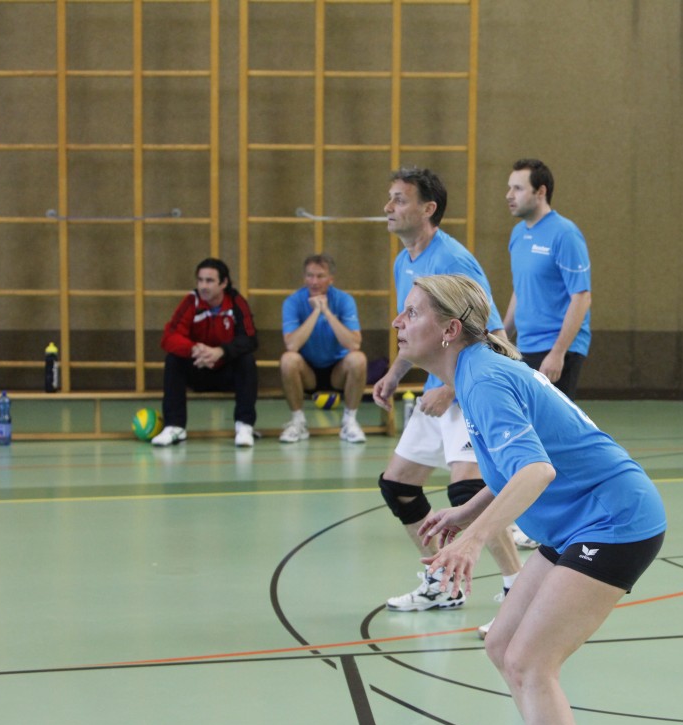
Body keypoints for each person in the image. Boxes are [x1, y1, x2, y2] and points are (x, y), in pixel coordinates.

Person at [401, 273, 665, 725]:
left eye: (412, 312)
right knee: (502, 645)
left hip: (614, 520)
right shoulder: (476, 372)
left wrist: (475, 538)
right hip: (575, 522)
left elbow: (536, 471)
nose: (398, 322)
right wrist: (467, 511)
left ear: (449, 330)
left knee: (531, 661)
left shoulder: (483, 379)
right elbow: (515, 463)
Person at [370, 167, 525, 621]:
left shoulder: (454, 260)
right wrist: (395, 374)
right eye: (390, 198)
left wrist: (452, 389)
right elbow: (414, 330)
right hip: (436, 386)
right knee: (398, 486)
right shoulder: (404, 262)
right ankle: (442, 582)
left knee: (467, 491)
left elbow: (495, 337)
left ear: (428, 209)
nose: (388, 207)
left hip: (465, 387)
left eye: (399, 199)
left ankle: (518, 590)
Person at [503, 158, 592, 399]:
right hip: (525, 347)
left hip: (557, 349)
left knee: (550, 422)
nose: (509, 195)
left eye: (518, 188)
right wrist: (501, 338)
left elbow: (582, 297)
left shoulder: (565, 234)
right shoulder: (518, 234)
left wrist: (558, 353)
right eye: (509, 188)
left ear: (540, 192)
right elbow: (521, 290)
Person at [154, 257, 259, 447]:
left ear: (224, 283)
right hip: (199, 369)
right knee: (173, 359)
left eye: (209, 281)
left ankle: (244, 425)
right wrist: (194, 349)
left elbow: (250, 339)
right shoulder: (191, 301)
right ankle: (175, 426)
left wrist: (221, 351)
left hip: (226, 373)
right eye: (200, 280)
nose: (203, 286)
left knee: (247, 360)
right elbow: (169, 337)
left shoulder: (236, 302)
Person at [278, 253, 368, 444]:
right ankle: (298, 422)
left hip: (337, 371)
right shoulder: (293, 302)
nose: (314, 281)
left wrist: (326, 311)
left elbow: (354, 344)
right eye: (310, 276)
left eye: (320, 276)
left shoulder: (344, 300)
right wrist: (316, 311)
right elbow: (292, 345)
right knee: (288, 359)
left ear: (330, 279)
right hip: (307, 372)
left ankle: (350, 422)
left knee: (358, 359)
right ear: (304, 278)